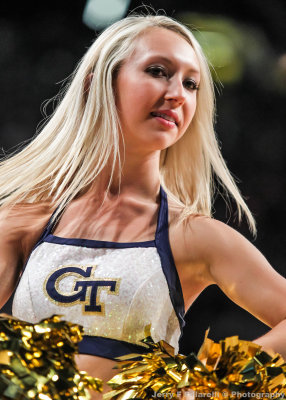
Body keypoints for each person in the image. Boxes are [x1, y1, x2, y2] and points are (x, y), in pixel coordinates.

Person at [0, 14, 285, 399]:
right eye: (157, 71)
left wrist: (206, 386)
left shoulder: (194, 236)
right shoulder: (25, 219)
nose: (177, 94)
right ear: (98, 81)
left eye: (190, 84)